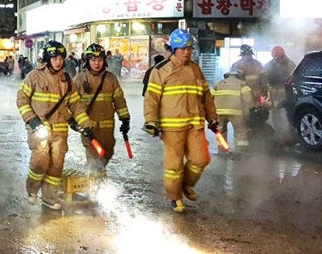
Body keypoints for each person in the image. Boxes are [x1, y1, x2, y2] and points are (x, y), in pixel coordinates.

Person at [143, 28, 217, 214]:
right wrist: (151, 121)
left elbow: (206, 97)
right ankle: (175, 197)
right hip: (171, 127)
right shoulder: (161, 70)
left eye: (189, 48)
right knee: (173, 166)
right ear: (174, 48)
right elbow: (151, 98)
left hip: (195, 124)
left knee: (201, 159)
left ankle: (186, 184)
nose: (187, 51)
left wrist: (212, 118)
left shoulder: (195, 69)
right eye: (183, 48)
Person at [16, 40, 89, 210]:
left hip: (60, 129)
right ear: (48, 58)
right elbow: (21, 99)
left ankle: (49, 197)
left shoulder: (67, 80)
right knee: (40, 159)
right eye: (55, 58)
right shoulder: (34, 76)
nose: (58, 61)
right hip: (38, 127)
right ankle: (32, 189)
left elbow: (76, 105)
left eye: (61, 58)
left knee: (57, 163)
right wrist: (31, 120)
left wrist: (83, 122)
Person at [73, 44, 131, 185]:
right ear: (88, 61)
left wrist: (125, 119)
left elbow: (119, 100)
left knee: (107, 152)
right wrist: (78, 122)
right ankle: (94, 185)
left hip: (107, 125)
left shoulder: (111, 78)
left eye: (99, 60)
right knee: (93, 155)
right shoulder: (79, 79)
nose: (97, 63)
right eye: (93, 60)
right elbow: (73, 103)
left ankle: (97, 175)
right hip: (88, 126)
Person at [214, 70, 253, 153]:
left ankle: (222, 150)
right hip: (236, 111)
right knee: (240, 130)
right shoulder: (242, 84)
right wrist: (248, 110)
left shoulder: (219, 83)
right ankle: (240, 150)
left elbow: (210, 97)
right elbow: (248, 99)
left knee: (221, 131)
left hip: (219, 112)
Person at [264, 46, 297, 142]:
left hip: (286, 92)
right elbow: (265, 77)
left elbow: (293, 77)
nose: (275, 57)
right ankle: (279, 132)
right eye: (274, 54)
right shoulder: (269, 65)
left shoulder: (290, 64)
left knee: (287, 112)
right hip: (274, 93)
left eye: (277, 54)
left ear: (282, 53)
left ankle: (290, 132)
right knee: (275, 113)